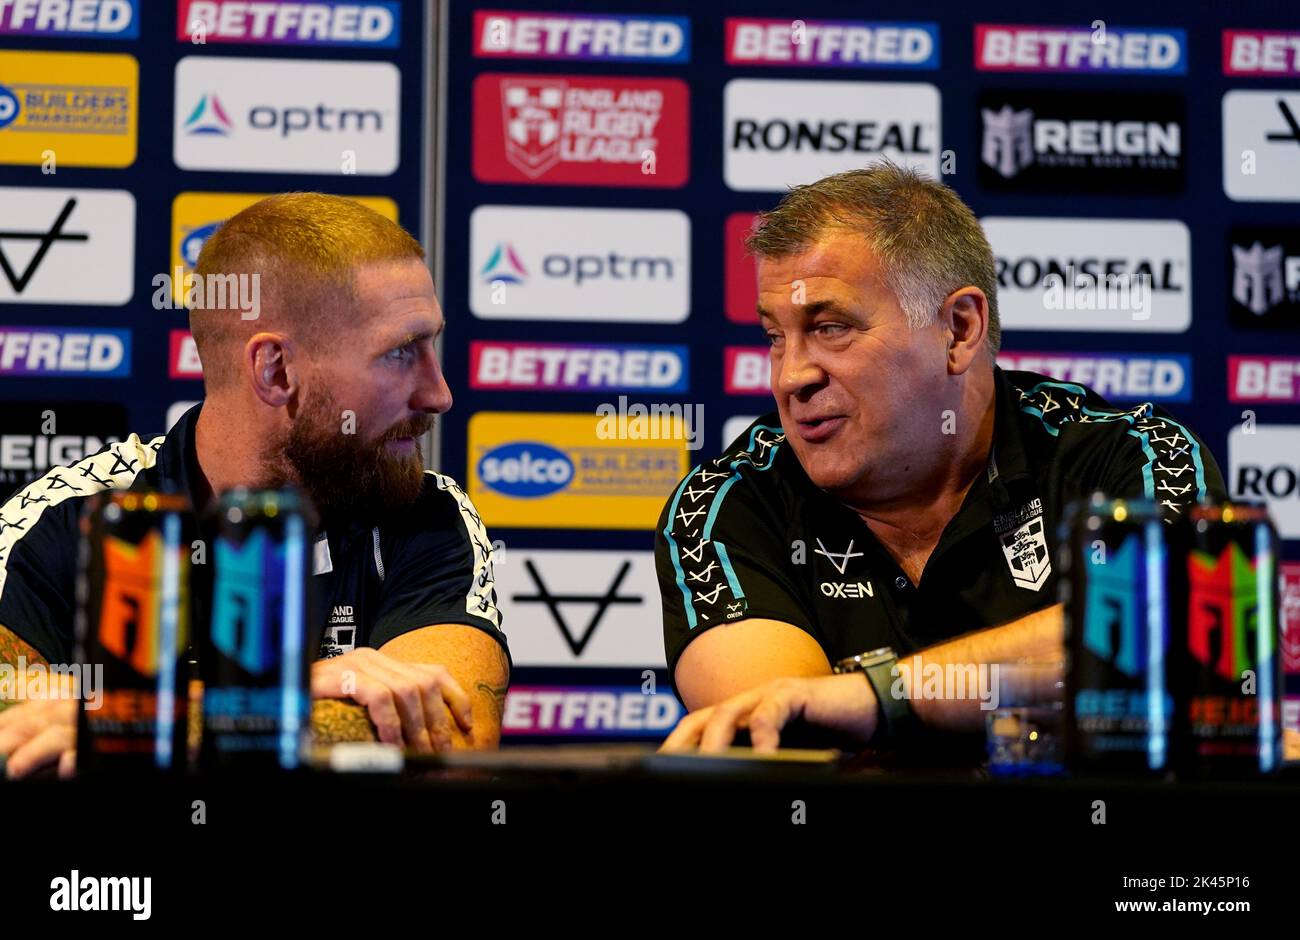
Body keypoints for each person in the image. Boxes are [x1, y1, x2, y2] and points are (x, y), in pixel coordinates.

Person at [655, 161, 1226, 755]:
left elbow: (1158, 636)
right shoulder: (724, 505)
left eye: (830, 328)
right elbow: (782, 728)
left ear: (958, 330)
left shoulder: (1133, 458)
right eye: (776, 336)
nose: (791, 376)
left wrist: (879, 695)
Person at [0, 194, 509, 777]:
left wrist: (137, 719)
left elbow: (450, 739)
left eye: (430, 345)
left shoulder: (426, 515)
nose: (438, 394)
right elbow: (12, 726)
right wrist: (296, 698)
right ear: (276, 371)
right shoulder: (70, 519)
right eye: (400, 353)